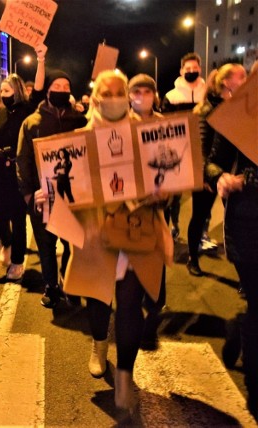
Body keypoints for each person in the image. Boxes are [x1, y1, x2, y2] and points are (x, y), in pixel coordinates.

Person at [61, 70, 173, 412]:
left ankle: (125, 372)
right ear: (95, 99)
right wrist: (50, 196)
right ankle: (98, 344)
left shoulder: (148, 135)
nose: (112, 98)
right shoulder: (78, 139)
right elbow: (64, 185)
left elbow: (169, 176)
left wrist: (162, 194)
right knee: (97, 299)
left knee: (129, 304)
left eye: (118, 92)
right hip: (95, 233)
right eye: (106, 93)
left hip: (136, 233)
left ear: (127, 97)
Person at [205, 65, 255, 419]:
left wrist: (248, 178)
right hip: (247, 222)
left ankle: (242, 332)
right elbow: (213, 162)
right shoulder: (239, 115)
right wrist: (221, 177)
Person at [0, 43, 47, 282]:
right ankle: (4, 244)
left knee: (18, 218)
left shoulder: (27, 108)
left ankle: (17, 261)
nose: (3, 94)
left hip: (19, 171)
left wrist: (41, 60)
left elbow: (38, 89)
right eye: (1, 91)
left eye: (6, 90)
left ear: (16, 90)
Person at [17, 69, 87, 308]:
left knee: (72, 242)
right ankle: (52, 287)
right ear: (47, 90)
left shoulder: (79, 120)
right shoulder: (32, 123)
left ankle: (70, 282)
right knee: (46, 245)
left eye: (65, 86)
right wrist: (29, 194)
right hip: (42, 196)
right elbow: (23, 160)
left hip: (72, 195)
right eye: (56, 86)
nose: (61, 90)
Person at [187, 63, 247, 277]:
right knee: (199, 217)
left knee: (234, 222)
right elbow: (202, 145)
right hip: (209, 174)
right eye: (241, 76)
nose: (246, 80)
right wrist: (206, 176)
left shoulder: (238, 107)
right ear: (226, 82)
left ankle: (244, 273)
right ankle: (192, 258)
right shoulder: (207, 109)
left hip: (230, 174)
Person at [129, 73, 167, 351]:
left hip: (155, 210)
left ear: (155, 94)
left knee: (155, 272)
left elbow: (179, 164)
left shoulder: (167, 125)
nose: (141, 95)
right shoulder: (117, 125)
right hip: (125, 212)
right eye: (136, 91)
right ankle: (131, 322)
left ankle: (150, 325)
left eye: (147, 91)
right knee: (128, 275)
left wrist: (168, 193)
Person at [162, 52, 209, 247]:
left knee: (204, 190)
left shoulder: (207, 93)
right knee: (175, 195)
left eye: (194, 68)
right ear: (181, 71)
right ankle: (174, 227)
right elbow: (163, 123)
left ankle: (203, 232)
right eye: (187, 69)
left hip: (202, 150)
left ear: (200, 69)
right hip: (178, 151)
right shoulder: (171, 96)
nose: (191, 71)